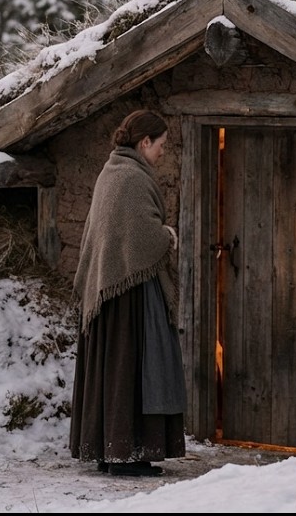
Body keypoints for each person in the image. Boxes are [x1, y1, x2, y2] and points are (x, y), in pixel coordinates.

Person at [69, 109, 186, 477]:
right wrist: (167, 236)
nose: (164, 152)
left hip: (110, 293)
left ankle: (111, 451)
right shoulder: (131, 178)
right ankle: (128, 454)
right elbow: (141, 238)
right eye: (162, 144)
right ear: (144, 142)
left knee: (115, 371)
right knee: (135, 369)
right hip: (129, 295)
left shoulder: (111, 172)